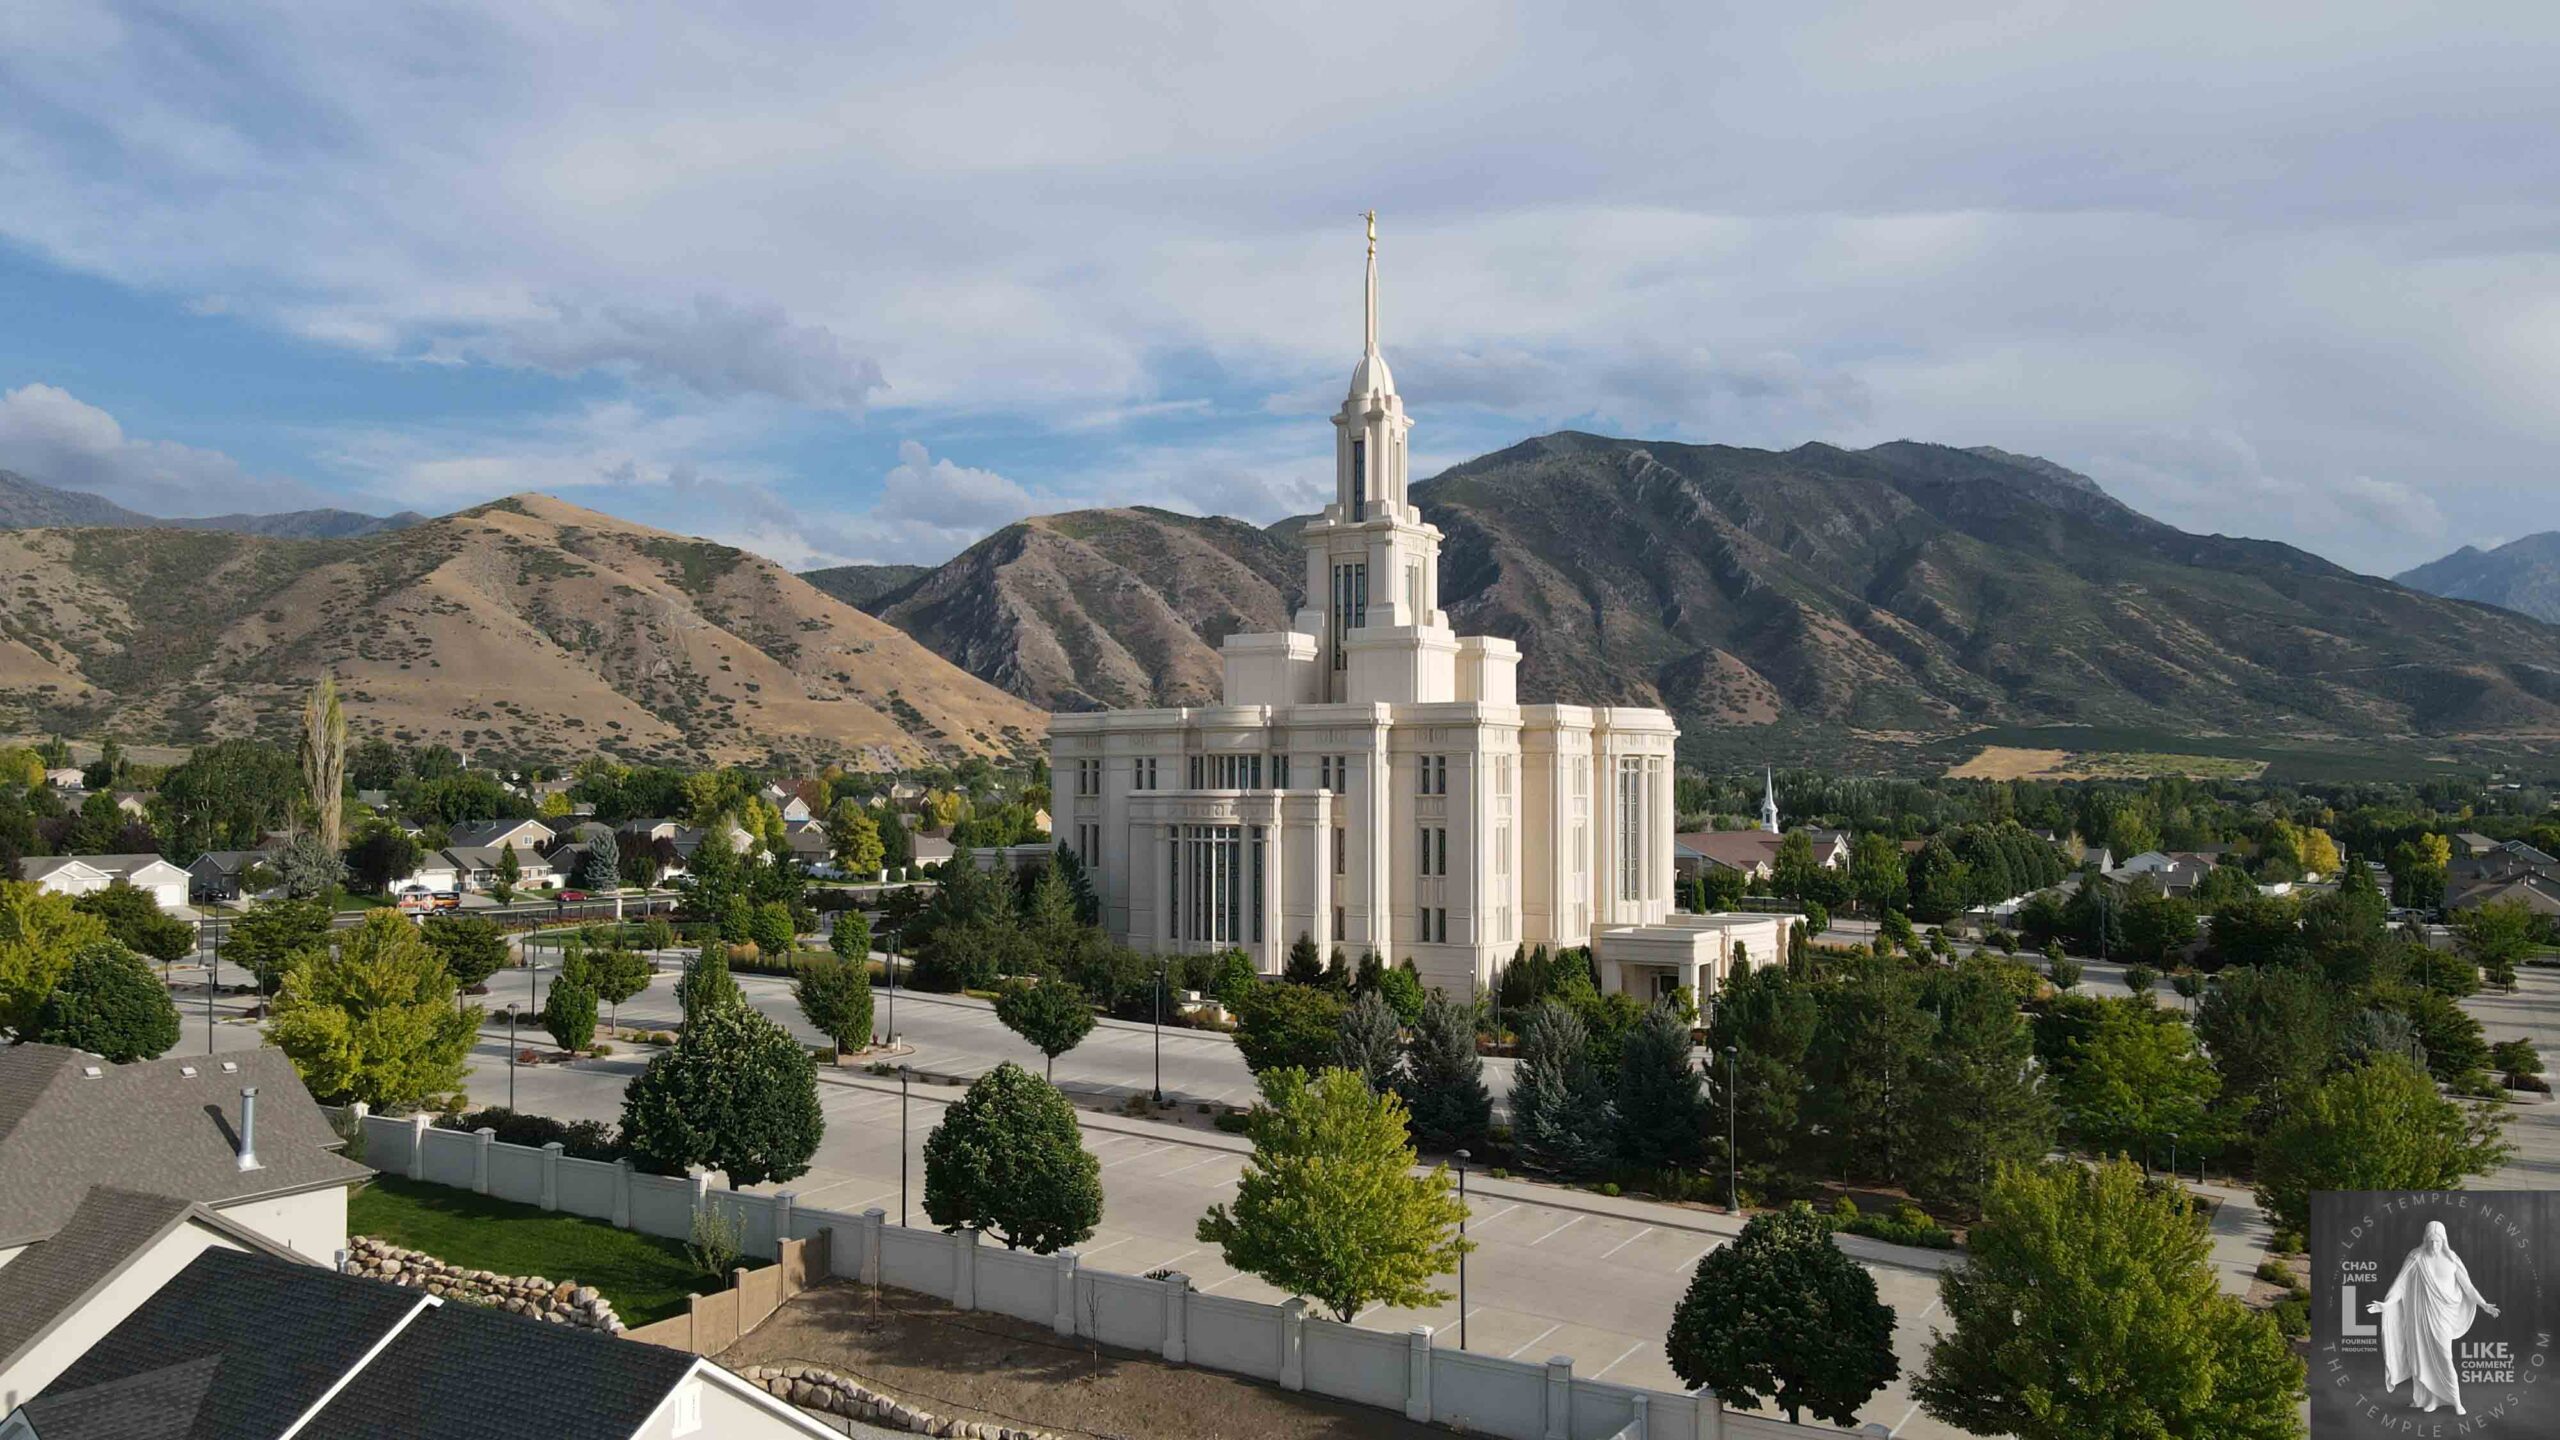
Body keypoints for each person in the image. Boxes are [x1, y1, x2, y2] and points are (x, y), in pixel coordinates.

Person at [2367, 1220, 2501, 1415]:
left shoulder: (2452, 1259)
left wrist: (2484, 1304)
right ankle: (2430, 1399)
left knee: (2445, 1357)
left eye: (2438, 1241)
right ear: (2425, 1239)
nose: (2434, 1245)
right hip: (2421, 1317)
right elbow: (2400, 1285)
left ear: (2444, 1241)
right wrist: (2386, 1304)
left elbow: (2468, 1287)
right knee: (2422, 1357)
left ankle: (2456, 1401)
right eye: (2430, 1241)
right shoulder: (2416, 1258)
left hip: (2443, 1317)